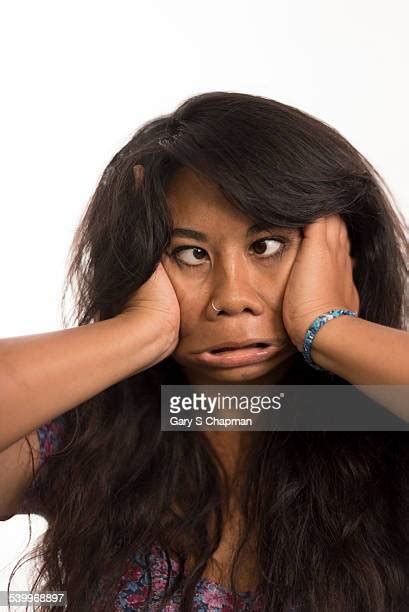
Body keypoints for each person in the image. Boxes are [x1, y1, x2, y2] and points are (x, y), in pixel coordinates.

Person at [0, 91, 408, 612]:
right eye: (190, 254)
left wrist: (328, 329)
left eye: (267, 245)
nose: (231, 298)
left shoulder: (387, 431)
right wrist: (141, 331)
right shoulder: (89, 436)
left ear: (339, 256)